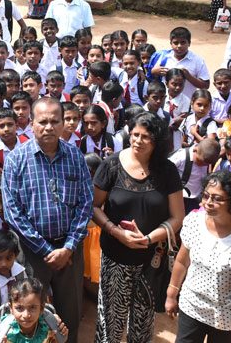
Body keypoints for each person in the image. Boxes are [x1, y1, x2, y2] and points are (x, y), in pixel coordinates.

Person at [1, 98, 92, 342]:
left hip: (70, 252)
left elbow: (85, 204)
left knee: (70, 315)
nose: (49, 127)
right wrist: (46, 249)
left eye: (55, 121)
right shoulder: (16, 159)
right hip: (33, 253)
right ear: (32, 125)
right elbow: (12, 212)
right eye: (43, 121)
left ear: (64, 124)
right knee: (29, 313)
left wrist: (69, 247)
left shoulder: (75, 156)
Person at [91, 113, 185, 342]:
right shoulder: (111, 164)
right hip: (115, 259)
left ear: (157, 140)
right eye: (134, 134)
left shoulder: (167, 170)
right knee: (110, 322)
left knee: (143, 323)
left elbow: (178, 216)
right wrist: (116, 232)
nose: (138, 141)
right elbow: (93, 207)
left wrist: (150, 238)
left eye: (146, 136)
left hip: (151, 261)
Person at [164, 171, 231, 343]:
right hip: (192, 307)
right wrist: (171, 294)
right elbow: (182, 262)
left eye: (217, 198)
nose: (208, 203)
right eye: (205, 196)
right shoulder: (193, 222)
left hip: (227, 316)